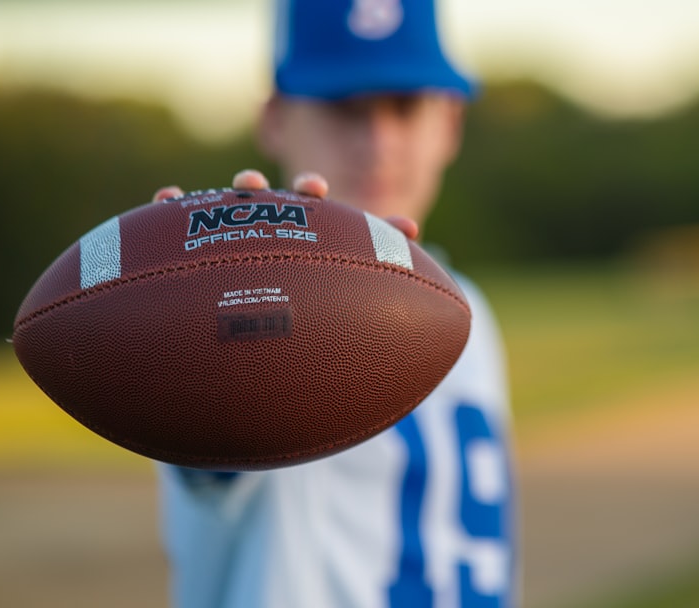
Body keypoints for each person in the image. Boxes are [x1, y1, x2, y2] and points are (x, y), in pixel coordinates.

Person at [151, 1, 517, 606]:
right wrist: (198, 318)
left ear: (450, 123)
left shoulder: (466, 311)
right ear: (274, 119)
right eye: (343, 108)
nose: (378, 143)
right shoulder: (265, 317)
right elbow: (219, 452)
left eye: (406, 106)